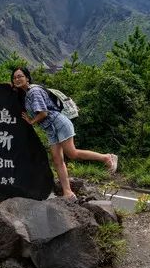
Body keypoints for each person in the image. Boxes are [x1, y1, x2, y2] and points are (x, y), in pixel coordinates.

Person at [11, 67, 118, 200]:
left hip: (59, 123)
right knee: (57, 160)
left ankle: (107, 157)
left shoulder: (34, 92)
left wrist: (31, 121)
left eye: (20, 76)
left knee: (72, 153)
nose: (17, 79)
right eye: (15, 77)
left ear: (27, 78)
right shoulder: (27, 92)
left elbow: (43, 113)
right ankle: (68, 192)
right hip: (51, 129)